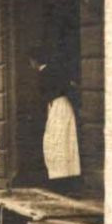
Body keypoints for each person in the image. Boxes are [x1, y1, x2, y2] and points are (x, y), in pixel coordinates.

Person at [30, 49, 81, 188]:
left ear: (34, 61)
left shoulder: (44, 74)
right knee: (62, 141)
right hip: (60, 107)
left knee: (57, 141)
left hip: (59, 108)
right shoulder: (53, 72)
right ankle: (63, 176)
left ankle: (60, 178)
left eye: (31, 61)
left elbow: (46, 94)